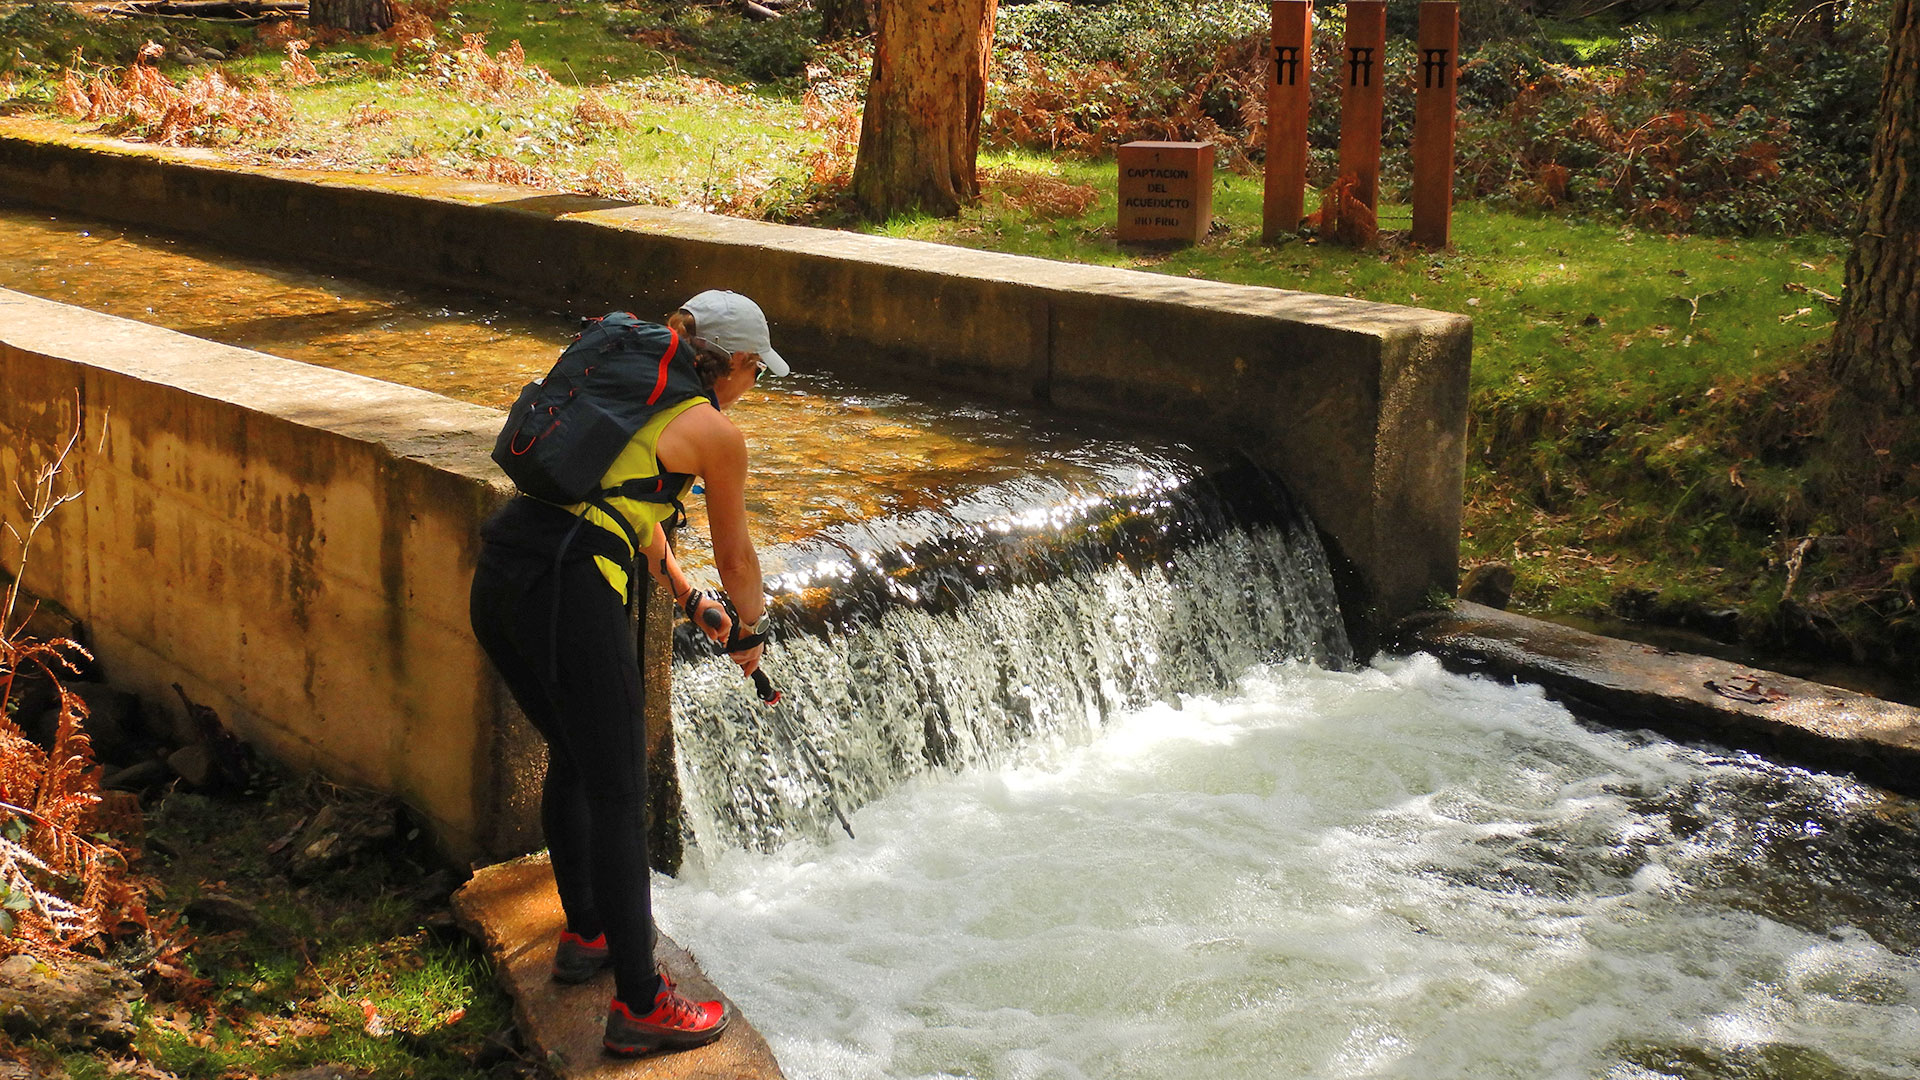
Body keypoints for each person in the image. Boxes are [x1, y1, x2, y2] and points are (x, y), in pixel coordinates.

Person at [468, 289, 787, 1056]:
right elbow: (741, 558)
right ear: (737, 363)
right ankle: (642, 1005)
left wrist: (687, 595)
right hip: (568, 596)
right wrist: (750, 628)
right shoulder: (714, 430)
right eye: (758, 373)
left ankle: (586, 937)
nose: (754, 387)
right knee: (618, 790)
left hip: (503, 577)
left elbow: (626, 509)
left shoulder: (626, 387)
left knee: (576, 761)